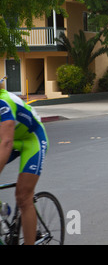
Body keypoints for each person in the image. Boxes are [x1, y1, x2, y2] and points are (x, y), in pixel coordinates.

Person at [0, 78, 48, 245]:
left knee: (23, 196)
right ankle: (3, 211)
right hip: (12, 140)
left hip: (31, 140)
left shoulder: (3, 102)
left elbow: (6, 143)